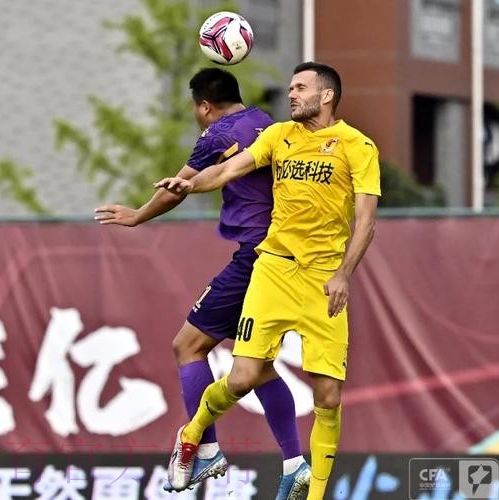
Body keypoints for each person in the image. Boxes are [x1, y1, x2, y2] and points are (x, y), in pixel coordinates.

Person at [155, 62, 381, 499]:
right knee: (242, 378)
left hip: (323, 281)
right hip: (273, 271)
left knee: (329, 397)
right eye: (291, 87)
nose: (291, 94)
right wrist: (189, 185)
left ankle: (312, 492)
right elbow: (226, 171)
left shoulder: (357, 146)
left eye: (301, 87)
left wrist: (343, 275)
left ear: (326, 95)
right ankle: (192, 435)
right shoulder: (278, 135)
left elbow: (366, 221)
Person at [95, 67, 308, 497]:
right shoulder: (266, 122)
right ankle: (294, 462)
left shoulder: (217, 134)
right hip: (288, 260)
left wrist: (137, 215)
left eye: (196, 108)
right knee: (259, 366)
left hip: (255, 258)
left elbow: (179, 186)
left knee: (188, 345)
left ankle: (206, 449)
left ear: (205, 106)